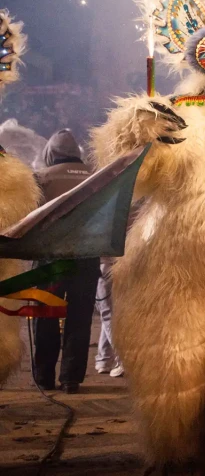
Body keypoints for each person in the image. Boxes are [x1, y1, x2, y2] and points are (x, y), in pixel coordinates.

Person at [32, 130, 102, 393]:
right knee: (80, 318)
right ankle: (71, 379)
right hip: (87, 257)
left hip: (51, 260)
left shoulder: (41, 179)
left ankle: (44, 378)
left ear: (50, 153)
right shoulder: (98, 177)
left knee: (46, 316)